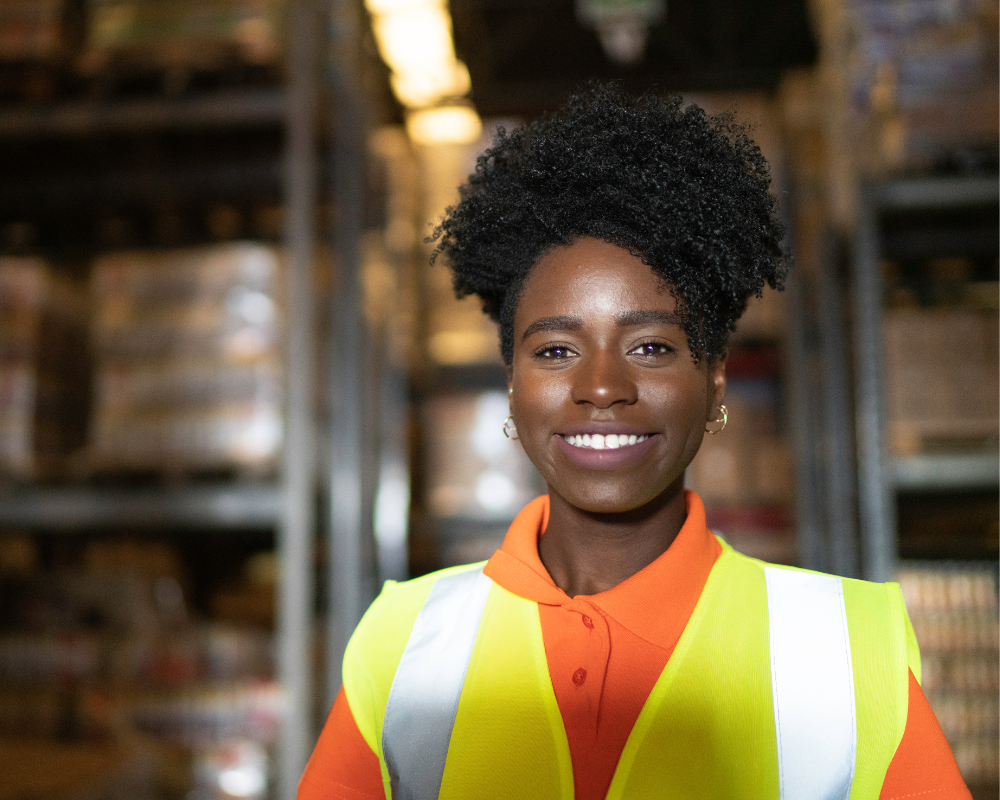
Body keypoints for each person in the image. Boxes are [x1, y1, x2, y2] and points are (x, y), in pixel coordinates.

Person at [299, 84, 970, 800]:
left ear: (713, 381)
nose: (601, 386)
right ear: (512, 387)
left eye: (650, 347)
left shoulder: (845, 650)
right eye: (555, 352)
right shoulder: (404, 643)